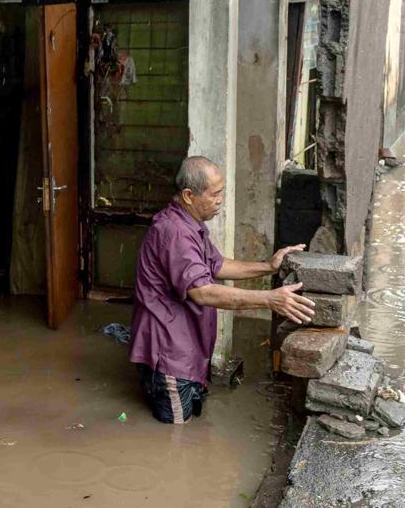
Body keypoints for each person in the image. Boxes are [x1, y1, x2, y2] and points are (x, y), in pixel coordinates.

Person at [130, 156, 316, 424]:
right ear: (189, 195)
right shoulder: (175, 233)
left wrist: (268, 266)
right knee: (175, 435)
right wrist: (268, 299)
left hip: (188, 348)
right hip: (170, 354)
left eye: (221, 192)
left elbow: (217, 265)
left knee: (188, 423)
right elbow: (203, 292)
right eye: (215, 194)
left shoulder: (190, 225)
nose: (220, 200)